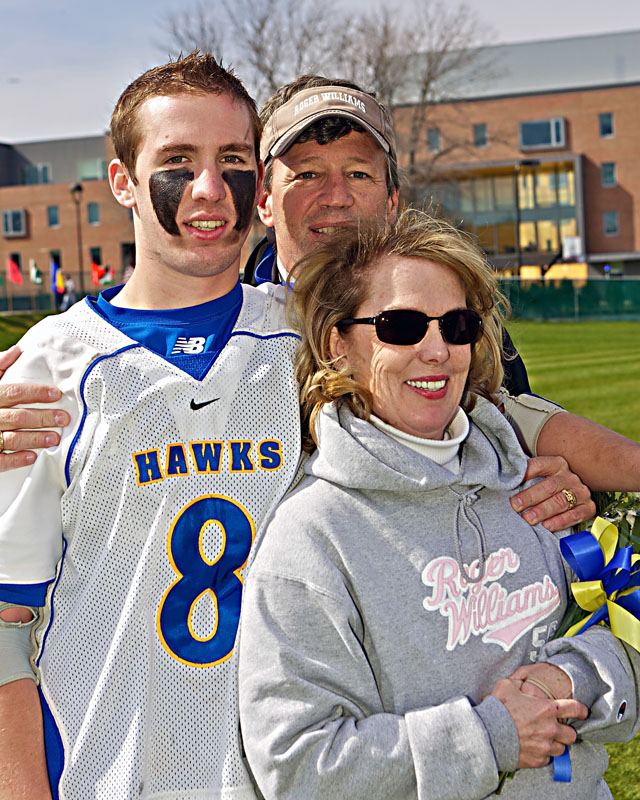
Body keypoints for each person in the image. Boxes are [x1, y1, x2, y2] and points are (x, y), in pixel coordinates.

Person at [0, 76, 601, 535]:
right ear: (263, 198)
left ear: (393, 200)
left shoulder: (452, 315)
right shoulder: (241, 317)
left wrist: (542, 484)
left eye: (360, 175)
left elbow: (507, 429)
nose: (335, 197)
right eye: (307, 173)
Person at [238, 210, 640, 800]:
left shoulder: (532, 487)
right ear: (338, 344)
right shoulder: (312, 535)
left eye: (457, 325)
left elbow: (624, 635)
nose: (437, 350)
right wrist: (490, 736)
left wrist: (570, 677)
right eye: (401, 326)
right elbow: (298, 768)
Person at [0, 53, 303, 799]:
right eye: (177, 160)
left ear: (258, 184)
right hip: (114, 773)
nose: (208, 189)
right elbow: (6, 627)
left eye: (232, 160)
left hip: (294, 776)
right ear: (122, 184)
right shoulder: (53, 366)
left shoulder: (315, 341)